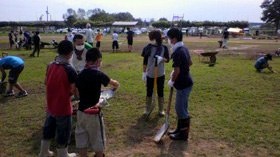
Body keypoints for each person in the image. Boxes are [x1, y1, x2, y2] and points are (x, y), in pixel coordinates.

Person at [75, 48, 119, 157]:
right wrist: (115, 85)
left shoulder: (80, 74)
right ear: (98, 60)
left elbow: (76, 93)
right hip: (94, 112)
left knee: (81, 138)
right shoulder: (99, 74)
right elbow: (114, 84)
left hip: (81, 111)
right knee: (98, 139)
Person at [38, 40, 77, 157]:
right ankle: (63, 154)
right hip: (64, 107)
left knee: (48, 129)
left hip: (51, 105)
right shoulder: (70, 69)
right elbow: (74, 90)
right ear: (71, 53)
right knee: (63, 132)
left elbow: (46, 82)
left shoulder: (50, 65)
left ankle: (44, 152)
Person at [166, 28, 193, 141]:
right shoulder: (184, 48)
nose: (168, 40)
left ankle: (183, 135)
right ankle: (179, 130)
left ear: (174, 39)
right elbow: (190, 63)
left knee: (180, 109)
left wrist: (172, 80)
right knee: (182, 108)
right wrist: (181, 69)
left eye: (169, 38)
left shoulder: (177, 52)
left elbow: (177, 71)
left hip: (183, 84)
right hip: (186, 82)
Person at [141, 30, 170, 117]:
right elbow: (145, 61)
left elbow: (168, 59)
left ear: (154, 38)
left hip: (160, 74)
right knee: (149, 91)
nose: (150, 40)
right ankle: (147, 109)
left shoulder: (164, 48)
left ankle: (161, 110)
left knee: (160, 91)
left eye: (151, 38)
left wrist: (162, 59)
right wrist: (144, 73)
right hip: (150, 74)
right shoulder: (148, 48)